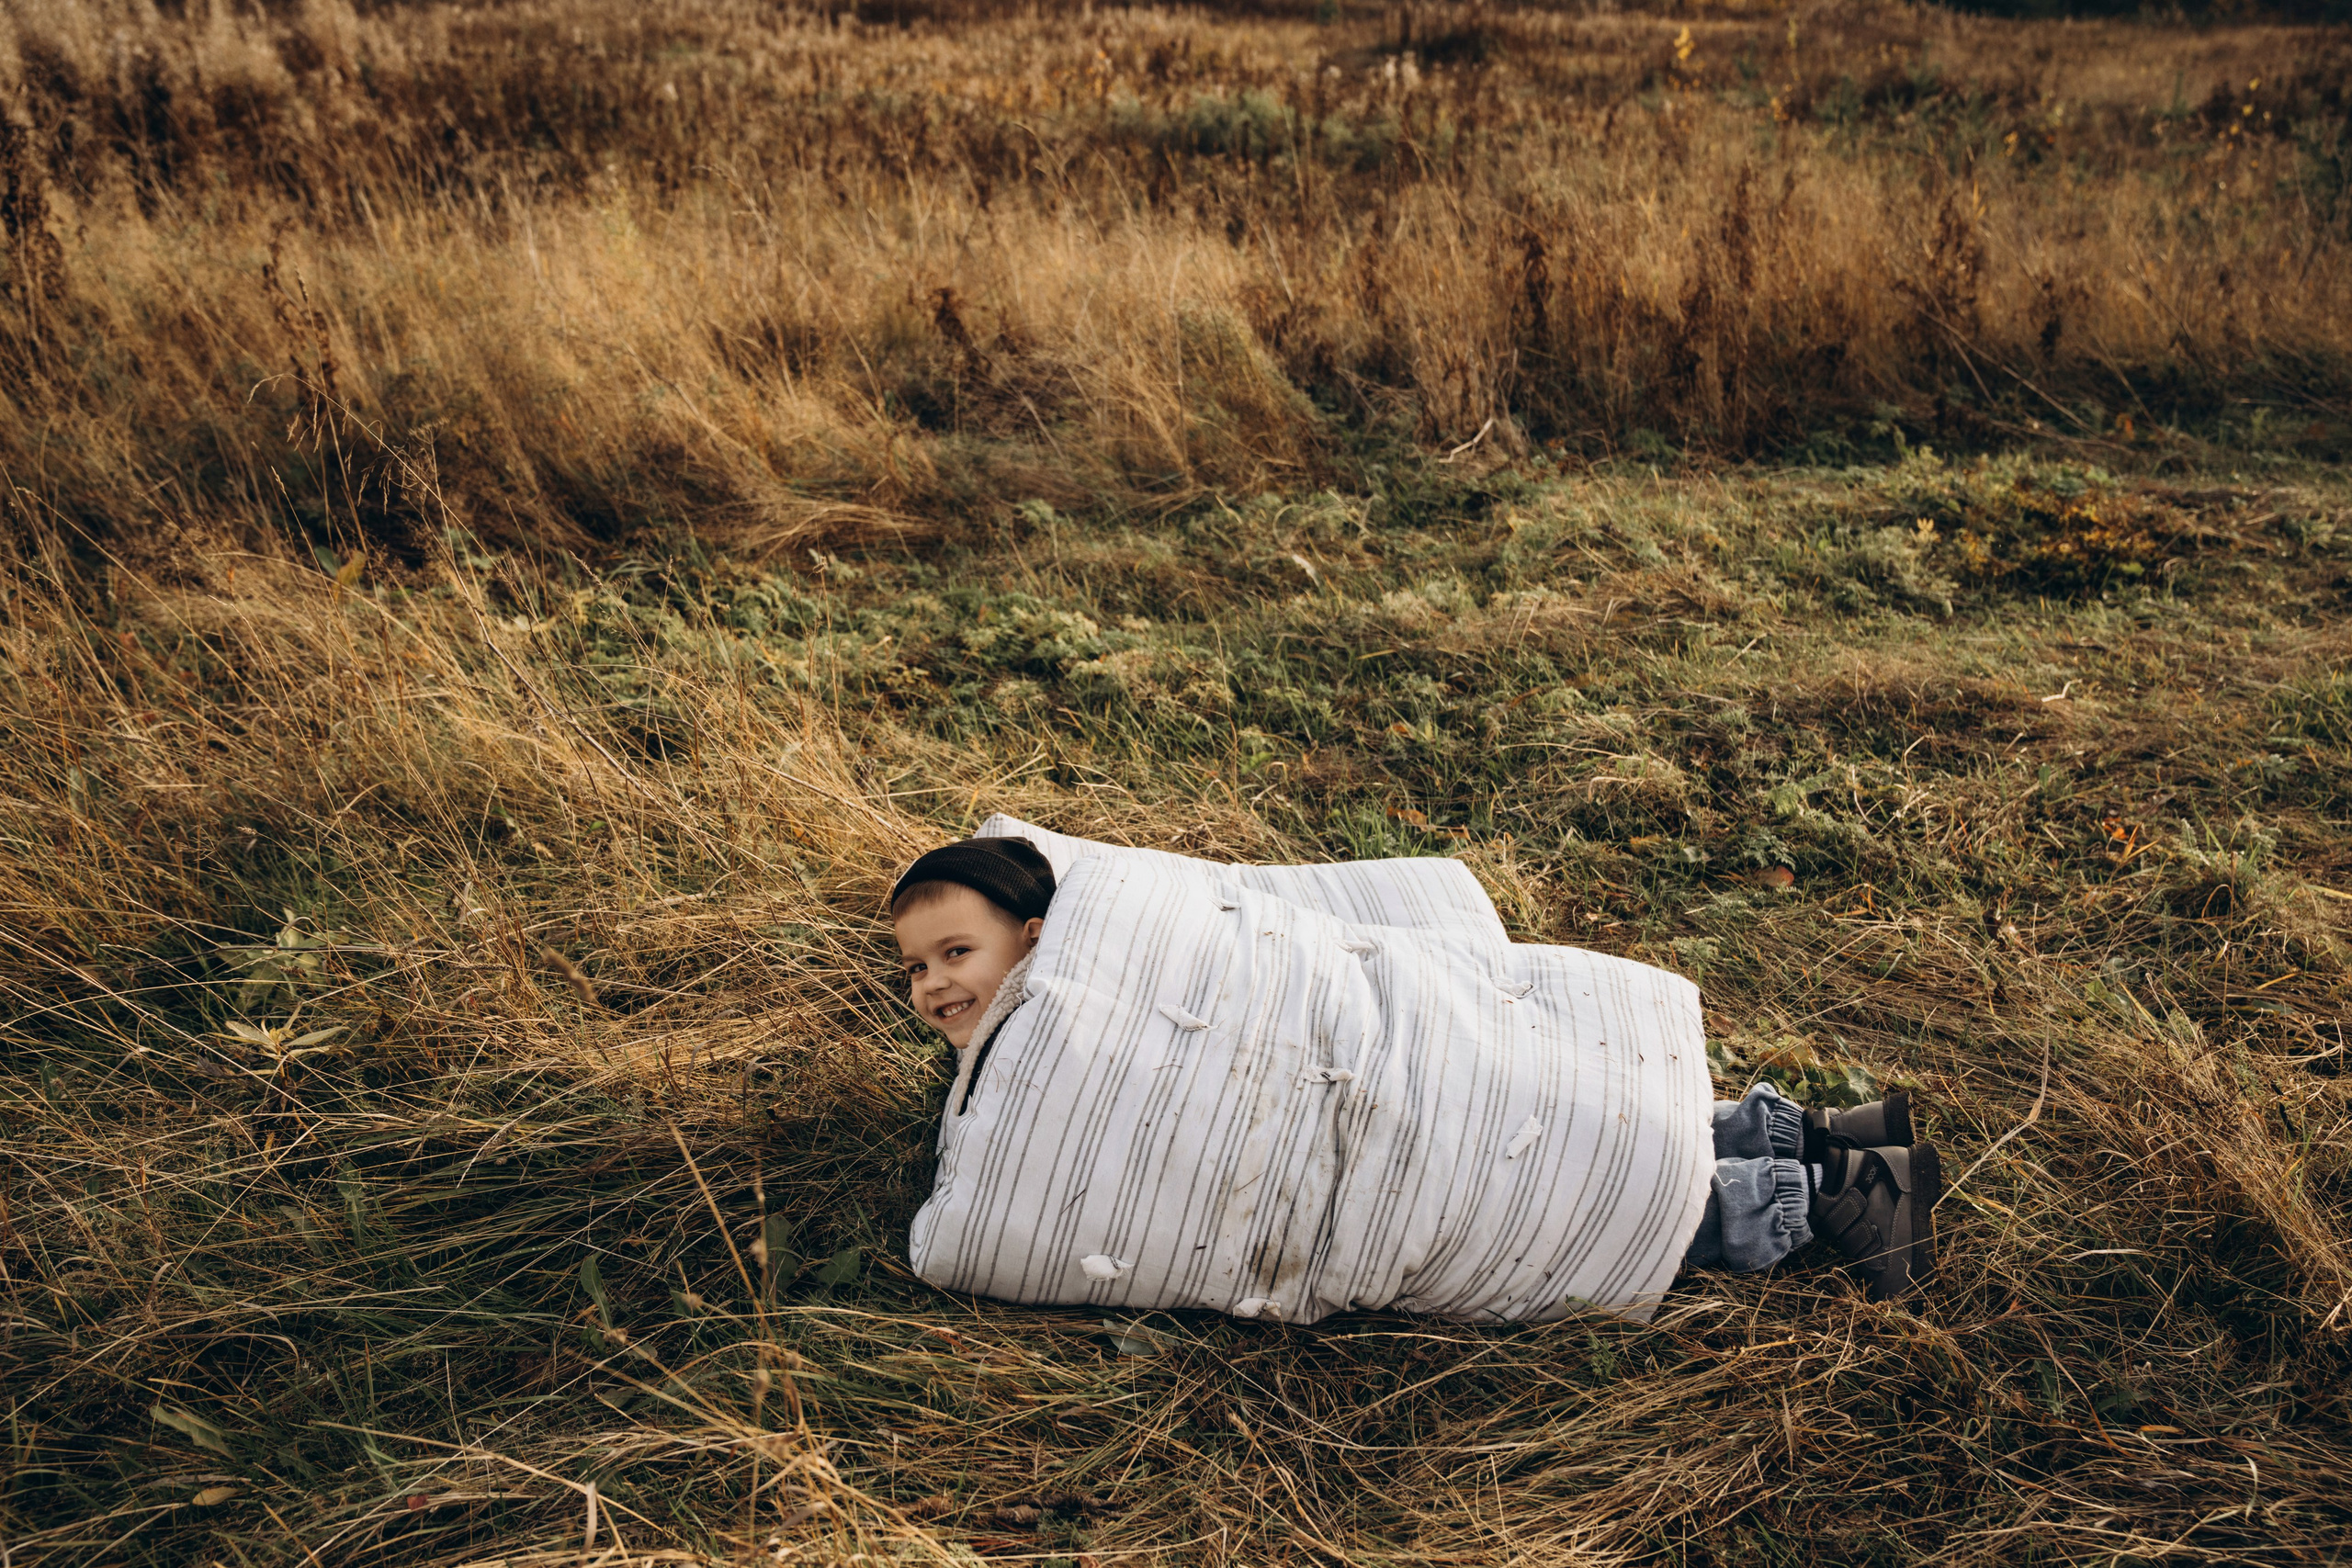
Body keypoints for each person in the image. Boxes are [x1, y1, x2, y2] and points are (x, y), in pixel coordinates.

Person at [889, 836, 1939, 1303]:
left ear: (1039, 939)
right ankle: (1807, 1144)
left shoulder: (1096, 985)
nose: (933, 985)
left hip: (1373, 1100)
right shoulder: (1011, 1069)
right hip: (1347, 1114)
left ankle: (1830, 1193)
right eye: (913, 969)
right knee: (1558, 1134)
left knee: (1541, 1181)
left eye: (955, 954)